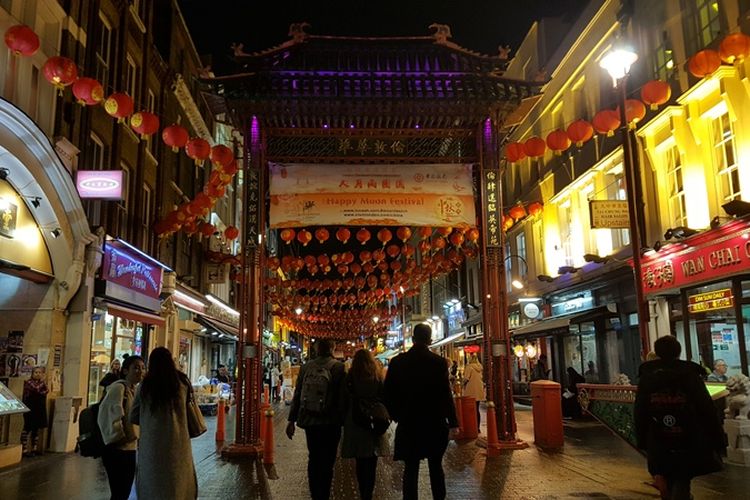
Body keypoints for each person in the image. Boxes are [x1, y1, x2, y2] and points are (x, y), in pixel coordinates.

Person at [634, 336, 724, 500]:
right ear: (678, 351)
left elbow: (640, 410)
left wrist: (641, 438)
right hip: (688, 436)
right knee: (682, 477)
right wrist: (717, 439)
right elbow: (706, 409)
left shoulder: (648, 377)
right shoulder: (690, 375)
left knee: (667, 475)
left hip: (658, 436)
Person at [385, 324, 459, 500]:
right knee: (436, 468)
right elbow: (445, 394)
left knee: (410, 469)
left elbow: (387, 393)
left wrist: (396, 415)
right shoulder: (438, 363)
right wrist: (453, 422)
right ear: (429, 339)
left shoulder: (397, 362)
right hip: (434, 423)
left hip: (409, 423)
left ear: (413, 338)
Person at [130, 347, 197, 500]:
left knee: (152, 485)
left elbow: (133, 415)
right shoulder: (182, 384)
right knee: (178, 483)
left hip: (151, 447)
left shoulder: (145, 386)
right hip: (178, 444)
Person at [286, 338, 345, 500]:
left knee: (314, 458)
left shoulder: (306, 367)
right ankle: (324, 494)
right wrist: (344, 420)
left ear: (317, 350)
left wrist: (291, 421)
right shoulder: (338, 368)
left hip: (310, 420)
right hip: (331, 422)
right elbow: (342, 398)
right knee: (328, 460)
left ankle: (315, 494)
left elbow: (297, 395)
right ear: (332, 349)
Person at [341, 349, 388, 500]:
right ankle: (369, 491)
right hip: (375, 418)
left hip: (356, 420)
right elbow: (384, 396)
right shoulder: (377, 376)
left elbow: (345, 397)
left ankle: (363, 493)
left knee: (360, 460)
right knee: (372, 459)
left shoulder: (351, 376)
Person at [98, 355, 145, 500]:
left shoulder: (135, 390)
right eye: (135, 368)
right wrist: (120, 436)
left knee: (123, 492)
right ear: (125, 371)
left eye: (143, 368)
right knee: (120, 492)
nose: (140, 371)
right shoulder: (118, 389)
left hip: (130, 448)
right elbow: (107, 416)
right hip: (116, 449)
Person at [21, 366, 48, 457]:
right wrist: (42, 390)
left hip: (39, 408)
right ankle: (24, 448)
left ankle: (34, 448)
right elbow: (36, 389)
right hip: (30, 408)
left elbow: (46, 390)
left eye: (40, 372)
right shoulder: (28, 382)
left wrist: (42, 390)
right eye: (36, 372)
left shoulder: (43, 383)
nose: (38, 374)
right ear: (32, 374)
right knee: (27, 427)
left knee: (36, 428)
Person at [462, 354, 484, 429]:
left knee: (471, 410)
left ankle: (472, 426)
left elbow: (466, 378)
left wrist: (462, 384)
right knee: (477, 409)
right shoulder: (480, 367)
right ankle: (478, 427)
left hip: (471, 391)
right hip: (478, 390)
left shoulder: (469, 367)